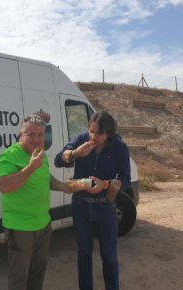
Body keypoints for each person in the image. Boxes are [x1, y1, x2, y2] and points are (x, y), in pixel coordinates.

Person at [54, 110, 130, 290]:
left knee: (109, 256)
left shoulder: (120, 147)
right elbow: (58, 160)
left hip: (105, 206)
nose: (93, 136)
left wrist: (105, 185)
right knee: (84, 253)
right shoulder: (81, 139)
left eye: (98, 133)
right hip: (80, 205)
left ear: (108, 133)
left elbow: (125, 178)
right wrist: (74, 154)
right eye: (91, 131)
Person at [0, 111, 71, 290]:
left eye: (40, 135)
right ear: (20, 134)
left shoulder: (40, 154)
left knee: (38, 272)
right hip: (20, 227)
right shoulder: (9, 156)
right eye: (31, 135)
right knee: (19, 277)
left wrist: (62, 186)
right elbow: (4, 186)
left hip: (43, 224)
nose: (36, 140)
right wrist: (31, 167)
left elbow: (45, 178)